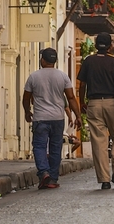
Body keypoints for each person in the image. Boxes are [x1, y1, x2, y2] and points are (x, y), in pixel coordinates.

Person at [22, 47, 81, 190]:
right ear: (54, 61)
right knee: (56, 148)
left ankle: (43, 172)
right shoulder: (63, 76)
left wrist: (27, 111)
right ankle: (53, 178)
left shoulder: (34, 76)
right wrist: (78, 116)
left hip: (40, 118)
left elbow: (26, 97)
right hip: (57, 118)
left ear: (42, 60)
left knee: (39, 146)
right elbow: (71, 97)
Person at [76, 32, 114, 190]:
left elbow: (82, 85)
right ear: (110, 46)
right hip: (112, 103)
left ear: (96, 45)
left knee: (99, 141)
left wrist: (82, 102)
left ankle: (104, 179)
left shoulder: (88, 60)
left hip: (94, 104)